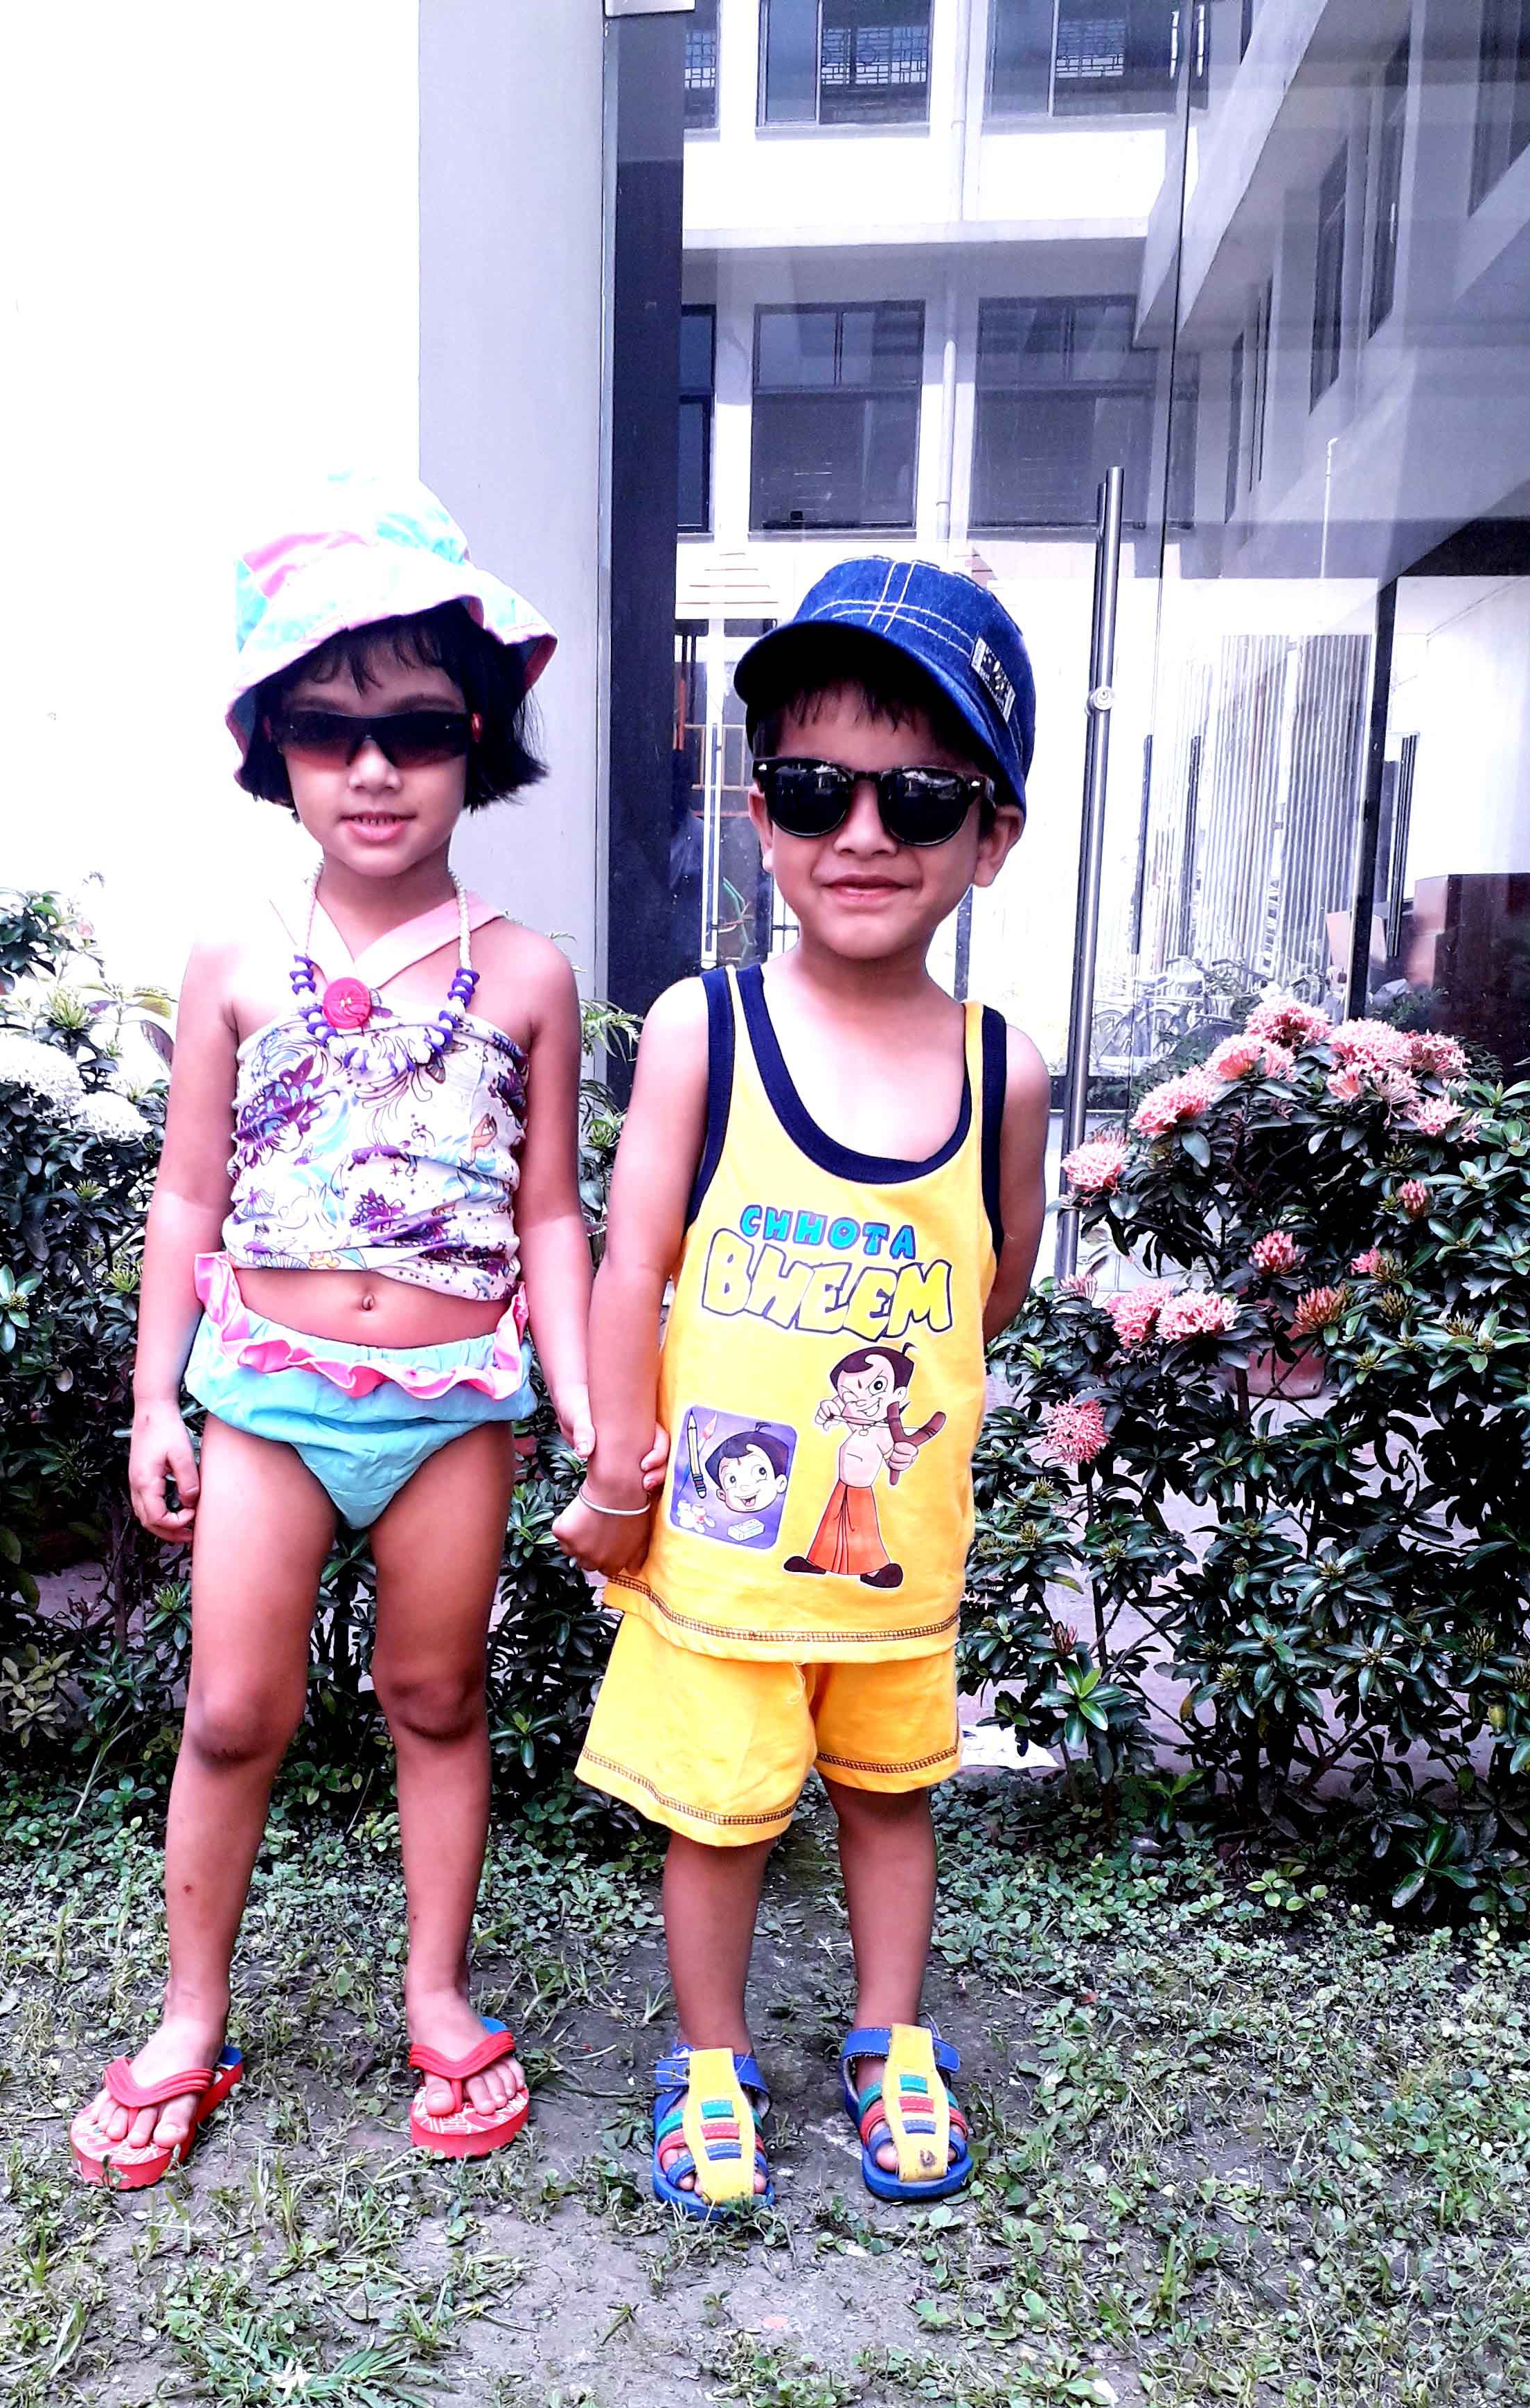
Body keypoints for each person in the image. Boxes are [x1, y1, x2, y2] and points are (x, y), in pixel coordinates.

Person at [73, 475, 613, 2187]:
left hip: (456, 1402)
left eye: (418, 729)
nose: (374, 769)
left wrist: (584, 1401)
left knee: (436, 1694)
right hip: (267, 1394)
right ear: (274, 750)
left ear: (479, 740)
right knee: (234, 1710)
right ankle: (189, 2014)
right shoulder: (235, 960)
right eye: (329, 729)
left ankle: (437, 1995)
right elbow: (187, 1196)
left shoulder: (527, 974)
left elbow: (551, 1215)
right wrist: (155, 1405)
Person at [554, 558, 1051, 2214]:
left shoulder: (1002, 1071)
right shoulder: (705, 1030)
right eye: (819, 788)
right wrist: (619, 1467)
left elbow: (991, 1282)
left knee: (893, 1801)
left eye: (922, 797)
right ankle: (711, 2060)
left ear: (991, 837)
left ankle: (891, 2037)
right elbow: (630, 1262)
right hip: (718, 1553)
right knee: (720, 1819)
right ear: (761, 813)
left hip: (897, 1566)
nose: (866, 834)